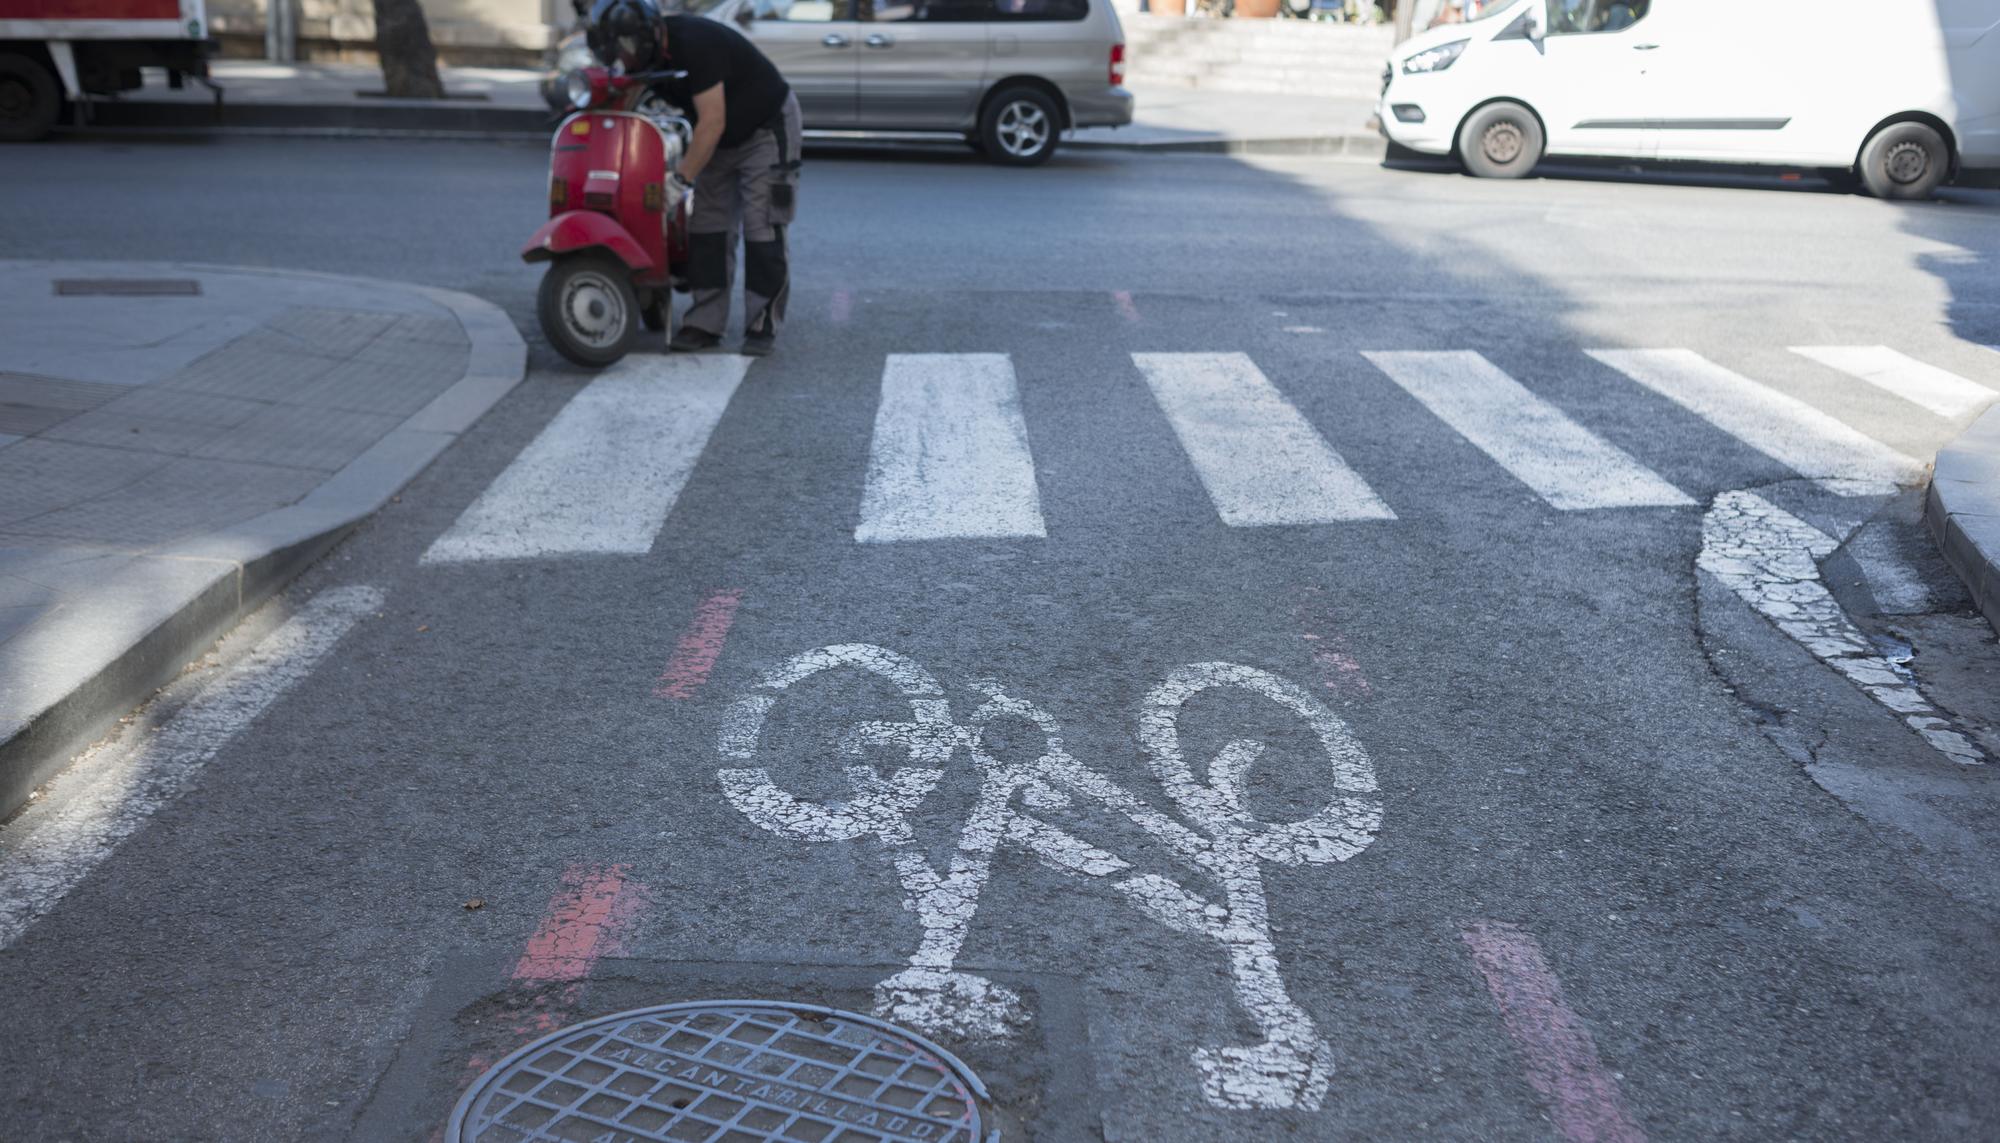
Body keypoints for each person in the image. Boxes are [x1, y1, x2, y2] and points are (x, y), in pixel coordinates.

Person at [588, 0, 802, 356]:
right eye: (616, 53)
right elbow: (623, 104)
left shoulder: (695, 42)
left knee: (762, 227)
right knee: (707, 228)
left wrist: (681, 180)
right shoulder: (642, 58)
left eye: (626, 49)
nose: (624, 59)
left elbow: (712, 120)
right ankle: (705, 322)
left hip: (766, 129)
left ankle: (762, 323)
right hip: (717, 138)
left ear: (648, 35)